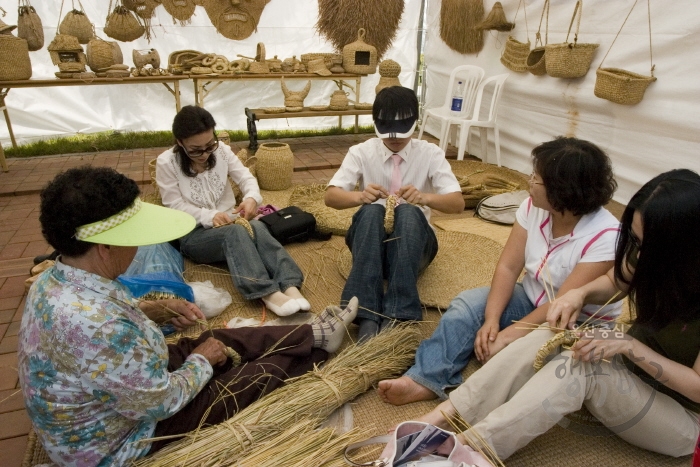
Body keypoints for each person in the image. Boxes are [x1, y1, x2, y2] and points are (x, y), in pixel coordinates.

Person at [17, 166, 358, 467]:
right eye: (132, 240)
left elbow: (106, 337)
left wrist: (152, 310)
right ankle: (313, 354)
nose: (137, 248)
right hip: (122, 438)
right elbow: (161, 402)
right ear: (106, 246)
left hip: (118, 390)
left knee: (217, 341)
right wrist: (201, 363)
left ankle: (314, 335)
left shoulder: (53, 278)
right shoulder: (101, 327)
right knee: (252, 375)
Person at [414, 169, 700, 460]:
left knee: (584, 368)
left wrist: (629, 345)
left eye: (646, 244)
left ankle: (474, 447)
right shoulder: (647, 254)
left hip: (685, 420)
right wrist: (580, 293)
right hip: (630, 373)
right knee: (558, 333)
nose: (637, 251)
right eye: (635, 240)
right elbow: (617, 281)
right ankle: (446, 414)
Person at [379, 137, 621, 405]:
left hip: (575, 321)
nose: (529, 182)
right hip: (530, 298)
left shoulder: (605, 235)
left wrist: (507, 336)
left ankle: (476, 391)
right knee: (467, 307)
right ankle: (424, 379)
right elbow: (508, 266)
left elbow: (560, 302)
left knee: (521, 361)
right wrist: (492, 319)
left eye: (537, 178)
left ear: (562, 190)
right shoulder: (533, 207)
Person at [324, 86, 465, 341]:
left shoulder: (430, 153)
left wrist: (425, 197)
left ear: (415, 122)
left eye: (402, 130)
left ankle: (399, 314)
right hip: (370, 245)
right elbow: (330, 197)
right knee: (371, 213)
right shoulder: (362, 152)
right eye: (389, 131)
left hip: (415, 249)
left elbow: (457, 203)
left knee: (409, 213)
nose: (395, 138)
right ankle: (365, 314)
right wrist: (360, 196)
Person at [156, 105, 307, 317]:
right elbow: (173, 205)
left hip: (232, 221)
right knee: (235, 232)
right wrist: (210, 216)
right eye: (195, 150)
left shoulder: (222, 151)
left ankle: (290, 284)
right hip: (194, 234)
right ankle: (265, 291)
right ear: (180, 142)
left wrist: (251, 199)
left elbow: (246, 179)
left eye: (209, 145)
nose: (204, 154)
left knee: (257, 226)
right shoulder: (166, 162)